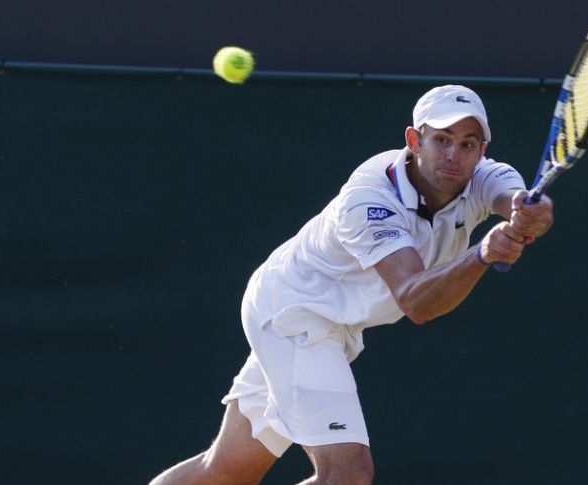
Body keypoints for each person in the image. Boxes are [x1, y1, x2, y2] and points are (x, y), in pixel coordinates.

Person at [149, 85, 554, 485]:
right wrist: (482, 253)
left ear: (482, 151)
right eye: (442, 139)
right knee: (348, 475)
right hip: (294, 313)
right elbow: (418, 302)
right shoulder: (370, 201)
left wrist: (530, 215)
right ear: (414, 140)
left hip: (325, 321)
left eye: (468, 144)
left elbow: (515, 199)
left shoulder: (485, 177)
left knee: (225, 472)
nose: (453, 154)